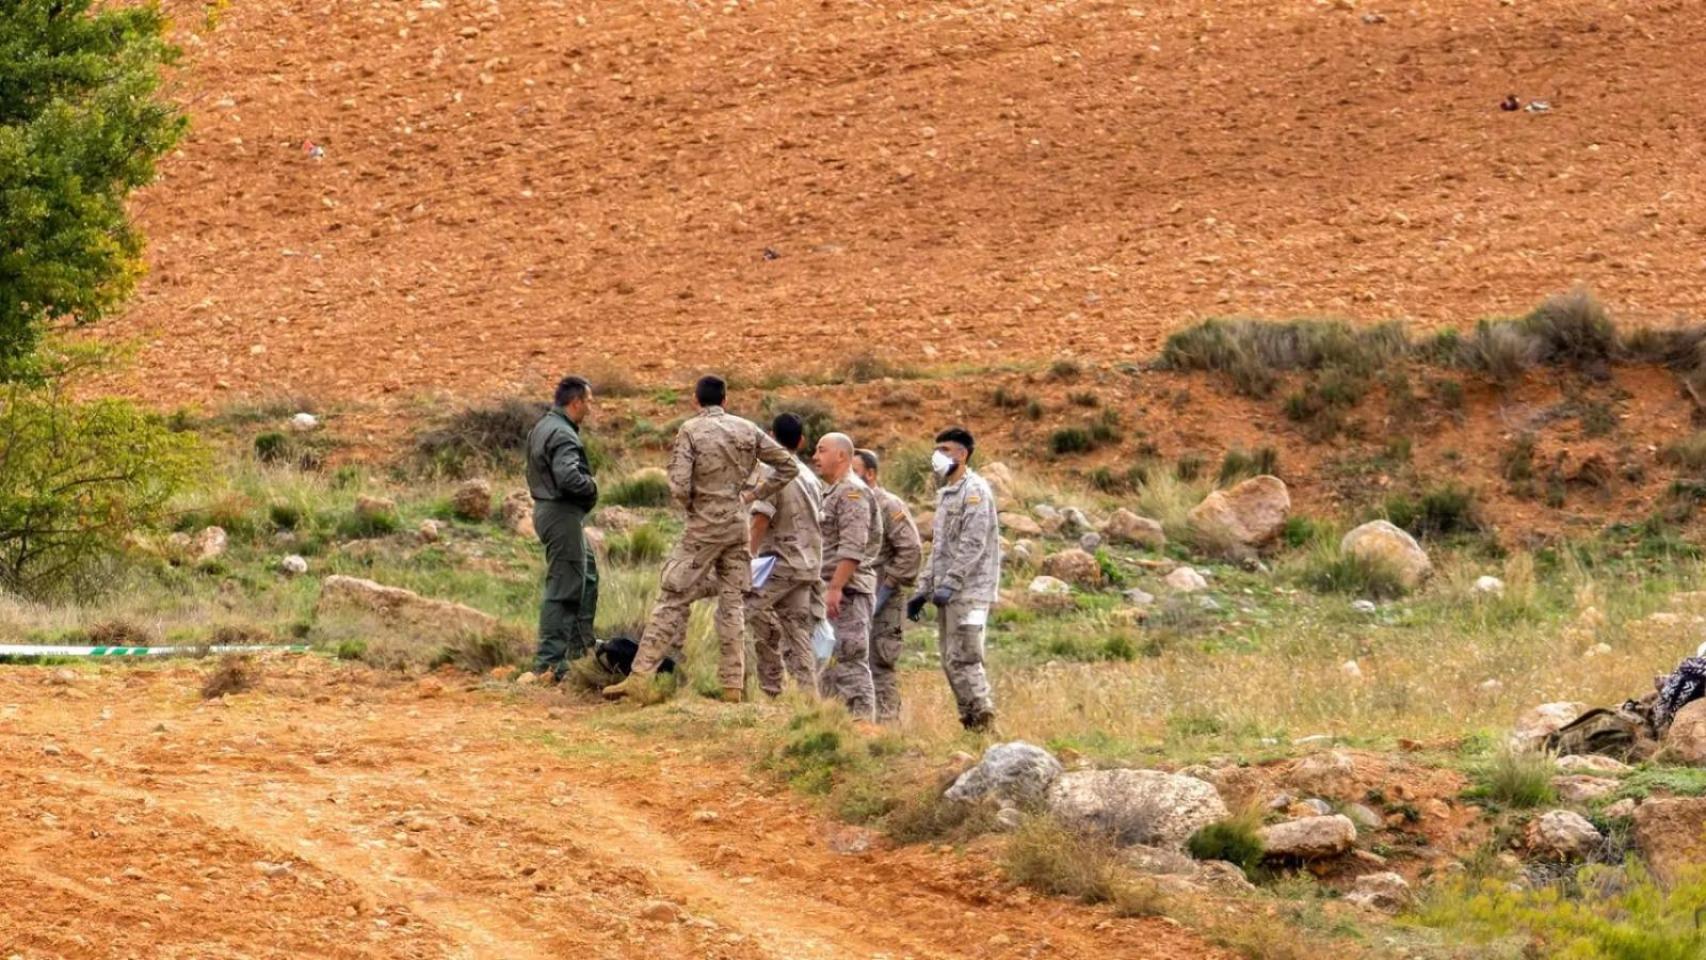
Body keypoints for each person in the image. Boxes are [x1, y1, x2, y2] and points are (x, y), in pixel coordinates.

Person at [604, 376, 799, 704]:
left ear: (696, 400)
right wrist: (752, 494)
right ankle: (732, 686)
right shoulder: (748, 429)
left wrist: (694, 505)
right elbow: (788, 466)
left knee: (672, 596)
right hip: (737, 524)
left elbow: (679, 485)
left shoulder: (691, 431)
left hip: (703, 527)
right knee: (732, 603)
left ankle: (639, 677)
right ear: (725, 399)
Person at [908, 427, 1001, 731]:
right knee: (951, 660)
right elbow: (940, 548)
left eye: (945, 449)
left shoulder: (974, 491)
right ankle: (972, 722)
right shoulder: (948, 494)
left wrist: (951, 582)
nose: (939, 455)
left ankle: (983, 719)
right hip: (949, 593)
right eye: (937, 449)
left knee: (966, 657)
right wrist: (923, 590)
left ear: (962, 454)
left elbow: (973, 544)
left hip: (970, 592)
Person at [525, 375, 600, 682]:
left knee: (588, 576)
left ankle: (580, 652)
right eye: (589, 402)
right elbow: (568, 477)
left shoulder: (543, 426)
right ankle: (550, 665)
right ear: (576, 402)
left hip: (551, 512)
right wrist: (591, 486)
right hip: (561, 514)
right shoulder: (564, 434)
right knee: (565, 587)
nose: (591, 409)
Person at [747, 413, 825, 698]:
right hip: (805, 567)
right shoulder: (809, 476)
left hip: (777, 565)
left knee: (736, 614)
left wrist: (746, 558)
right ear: (801, 441)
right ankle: (809, 701)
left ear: (769, 437)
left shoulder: (772, 473)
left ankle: (757, 689)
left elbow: (760, 520)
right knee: (798, 635)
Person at [813, 432, 882, 721]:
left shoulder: (852, 492)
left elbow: (853, 547)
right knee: (828, 666)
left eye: (821, 450)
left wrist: (836, 586)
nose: (815, 456)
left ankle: (862, 728)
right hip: (830, 592)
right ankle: (835, 728)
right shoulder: (831, 492)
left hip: (847, 594)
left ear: (841, 455)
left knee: (850, 663)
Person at [853, 448, 922, 723]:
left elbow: (911, 550)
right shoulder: (847, 501)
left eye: (855, 472)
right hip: (855, 594)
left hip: (884, 598)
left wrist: (888, 584)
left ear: (871, 474)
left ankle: (887, 727)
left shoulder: (889, 505)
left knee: (880, 663)